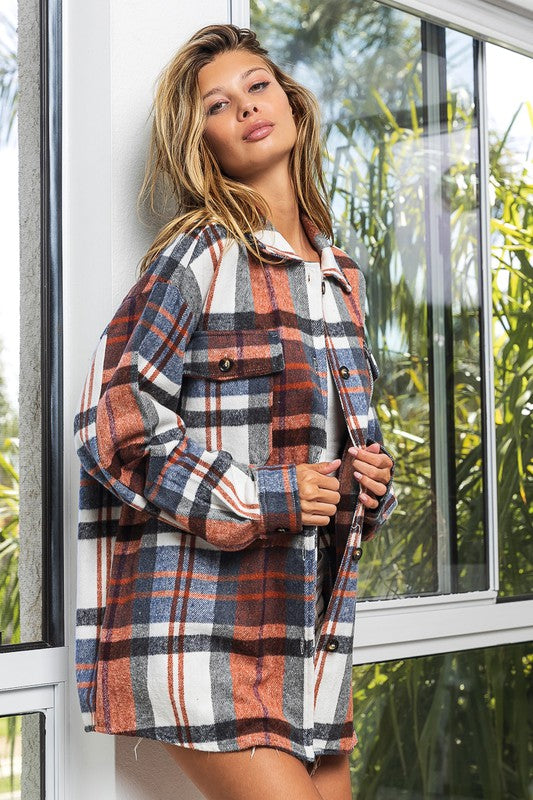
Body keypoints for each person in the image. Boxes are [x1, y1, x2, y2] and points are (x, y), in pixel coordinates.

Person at [73, 23, 397, 800]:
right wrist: (269, 494)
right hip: (201, 626)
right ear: (203, 141)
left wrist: (365, 481)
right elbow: (113, 424)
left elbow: (332, 449)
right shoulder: (200, 255)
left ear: (289, 100)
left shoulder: (339, 278)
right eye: (218, 105)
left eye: (257, 84)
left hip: (306, 640)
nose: (247, 107)